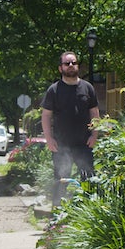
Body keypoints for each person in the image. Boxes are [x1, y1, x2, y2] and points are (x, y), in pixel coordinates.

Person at [40, 50, 99, 207]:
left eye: (73, 62)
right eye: (67, 63)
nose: (71, 66)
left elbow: (94, 113)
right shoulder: (54, 90)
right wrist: (49, 138)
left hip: (84, 144)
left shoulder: (88, 88)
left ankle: (88, 216)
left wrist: (95, 135)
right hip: (61, 145)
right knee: (60, 181)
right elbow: (46, 116)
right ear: (61, 68)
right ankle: (56, 219)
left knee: (89, 180)